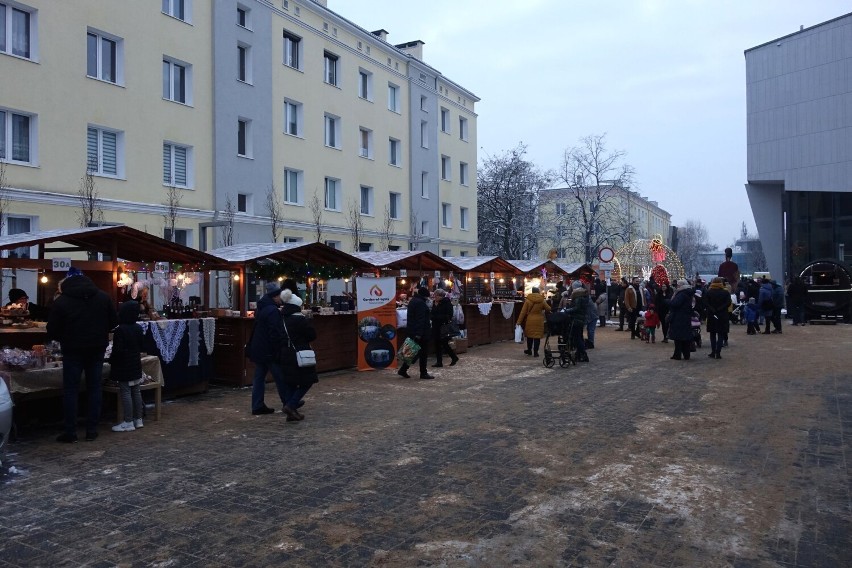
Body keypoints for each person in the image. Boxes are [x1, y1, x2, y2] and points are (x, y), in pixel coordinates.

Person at [47, 267, 118, 443]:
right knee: (95, 387)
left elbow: (52, 330)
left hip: (72, 349)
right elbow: (114, 322)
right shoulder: (103, 297)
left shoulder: (61, 301)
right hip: (97, 348)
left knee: (71, 389)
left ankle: (70, 432)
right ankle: (92, 430)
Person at [247, 283, 290, 416]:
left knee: (259, 377)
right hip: (268, 350)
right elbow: (274, 332)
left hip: (259, 347)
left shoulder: (262, 308)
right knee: (280, 376)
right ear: (275, 296)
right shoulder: (272, 310)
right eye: (279, 296)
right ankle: (289, 403)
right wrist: (278, 348)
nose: (281, 299)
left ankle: (257, 405)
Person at [279, 289, 319, 420]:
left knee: (291, 382)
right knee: (307, 380)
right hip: (299, 353)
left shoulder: (281, 318)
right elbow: (311, 335)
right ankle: (291, 405)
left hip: (285, 353)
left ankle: (292, 413)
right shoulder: (299, 319)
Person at [110, 301, 146, 432]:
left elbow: (117, 351)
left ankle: (128, 421)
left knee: (125, 392)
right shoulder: (138, 328)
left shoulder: (120, 330)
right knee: (136, 391)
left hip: (124, 365)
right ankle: (139, 419)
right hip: (135, 362)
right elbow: (142, 345)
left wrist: (111, 360)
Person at [398, 287, 434, 379]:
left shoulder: (414, 301)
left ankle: (403, 370)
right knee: (422, 353)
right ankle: (423, 373)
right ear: (425, 296)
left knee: (412, 351)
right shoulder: (420, 303)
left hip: (413, 330)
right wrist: (419, 333)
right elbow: (420, 319)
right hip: (421, 332)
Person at [517, 286, 551, 357]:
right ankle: (536, 352)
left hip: (530, 320)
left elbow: (523, 312)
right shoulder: (542, 300)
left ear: (532, 292)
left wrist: (519, 322)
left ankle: (529, 350)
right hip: (539, 320)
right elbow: (548, 309)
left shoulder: (528, 300)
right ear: (538, 291)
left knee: (529, 336)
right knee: (537, 337)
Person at [666, 279, 695, 360]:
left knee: (678, 338)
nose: (676, 286)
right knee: (685, 337)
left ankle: (677, 354)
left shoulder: (681, 293)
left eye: (678, 285)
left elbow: (675, 303)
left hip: (679, 317)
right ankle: (686, 354)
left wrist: (668, 301)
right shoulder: (688, 292)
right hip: (685, 317)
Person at [561, 282, 589, 362]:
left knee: (577, 338)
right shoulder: (583, 295)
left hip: (577, 319)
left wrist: (567, 310)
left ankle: (583, 354)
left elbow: (576, 308)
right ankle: (580, 354)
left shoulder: (578, 297)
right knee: (579, 337)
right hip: (581, 319)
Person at [430, 288, 459, 367]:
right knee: (438, 344)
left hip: (443, 326)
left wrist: (436, 317)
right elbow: (432, 313)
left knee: (444, 343)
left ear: (440, 296)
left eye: (435, 296)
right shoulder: (435, 303)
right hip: (436, 326)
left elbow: (449, 315)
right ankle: (440, 362)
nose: (434, 297)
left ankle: (453, 357)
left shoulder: (447, 303)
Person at [704, 277, 732, 359]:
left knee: (712, 334)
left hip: (711, 315)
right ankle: (718, 352)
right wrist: (720, 309)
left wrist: (712, 309)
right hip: (722, 315)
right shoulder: (725, 292)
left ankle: (713, 352)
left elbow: (706, 303)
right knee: (721, 334)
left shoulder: (709, 292)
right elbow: (728, 303)